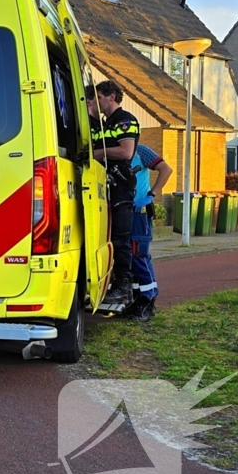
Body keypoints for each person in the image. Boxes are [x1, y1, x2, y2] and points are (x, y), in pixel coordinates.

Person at [87, 81, 139, 306]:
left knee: (120, 239)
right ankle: (115, 284)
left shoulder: (125, 120)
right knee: (109, 238)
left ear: (111, 97)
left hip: (121, 187)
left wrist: (96, 153)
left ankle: (123, 286)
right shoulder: (105, 123)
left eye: (99, 97)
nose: (97, 101)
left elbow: (126, 152)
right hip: (106, 187)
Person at [125, 144, 173, 322]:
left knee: (139, 254)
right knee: (128, 256)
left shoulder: (141, 150)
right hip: (122, 212)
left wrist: (151, 194)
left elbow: (166, 169)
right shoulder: (115, 150)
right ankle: (137, 300)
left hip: (139, 211)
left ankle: (148, 300)